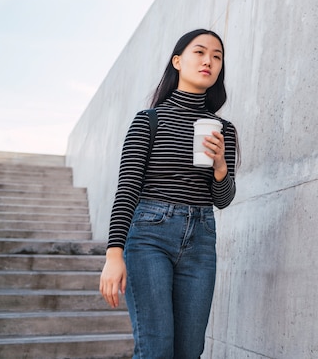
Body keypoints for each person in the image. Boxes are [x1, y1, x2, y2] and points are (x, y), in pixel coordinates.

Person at [99, 29, 238, 358]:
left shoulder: (224, 130)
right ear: (178, 60)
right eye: (200, 52)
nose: (208, 61)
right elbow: (127, 189)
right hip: (149, 236)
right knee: (156, 348)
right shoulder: (149, 121)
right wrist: (113, 254)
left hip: (201, 239)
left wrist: (220, 167)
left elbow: (223, 199)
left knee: (190, 351)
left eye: (217, 56)